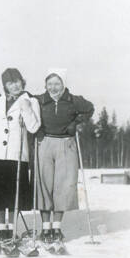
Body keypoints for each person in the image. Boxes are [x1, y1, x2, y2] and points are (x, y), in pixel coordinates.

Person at [0, 68, 41, 242]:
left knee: (13, 195)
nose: (14, 86)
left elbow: (34, 127)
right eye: (10, 83)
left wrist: (26, 109)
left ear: (23, 81)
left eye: (17, 81)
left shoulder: (31, 101)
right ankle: (1, 230)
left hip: (16, 154)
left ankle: (11, 229)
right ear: (5, 85)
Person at [34, 68, 94, 243]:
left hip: (66, 144)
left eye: (57, 83)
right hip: (44, 143)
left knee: (64, 185)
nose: (53, 88)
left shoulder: (73, 100)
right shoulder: (39, 100)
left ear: (63, 84)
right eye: (50, 84)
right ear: (45, 85)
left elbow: (90, 108)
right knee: (44, 185)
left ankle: (56, 228)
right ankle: (45, 229)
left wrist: (76, 123)